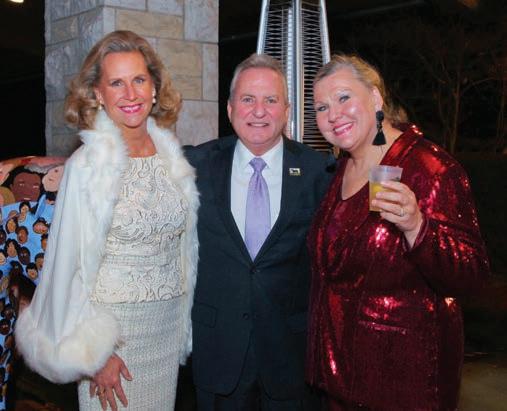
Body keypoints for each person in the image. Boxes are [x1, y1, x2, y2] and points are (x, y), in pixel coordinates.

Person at [15, 30, 199, 410]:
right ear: (98, 94)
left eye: (139, 80)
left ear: (154, 88)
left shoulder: (172, 159)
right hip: (113, 341)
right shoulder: (87, 166)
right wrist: (94, 354)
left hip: (165, 331)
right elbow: (66, 267)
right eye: (116, 83)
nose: (130, 94)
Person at [306, 54, 490, 411]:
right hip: (339, 378)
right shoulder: (343, 168)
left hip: (402, 385)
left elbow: (473, 276)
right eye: (321, 107)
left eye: (344, 97)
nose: (333, 114)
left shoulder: (430, 168)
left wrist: (417, 227)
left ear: (375, 98)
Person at [185, 53, 334, 410]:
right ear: (230, 108)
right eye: (248, 99)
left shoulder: (321, 172)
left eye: (271, 100)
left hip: (291, 358)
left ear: (287, 111)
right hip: (217, 352)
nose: (259, 111)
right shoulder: (193, 166)